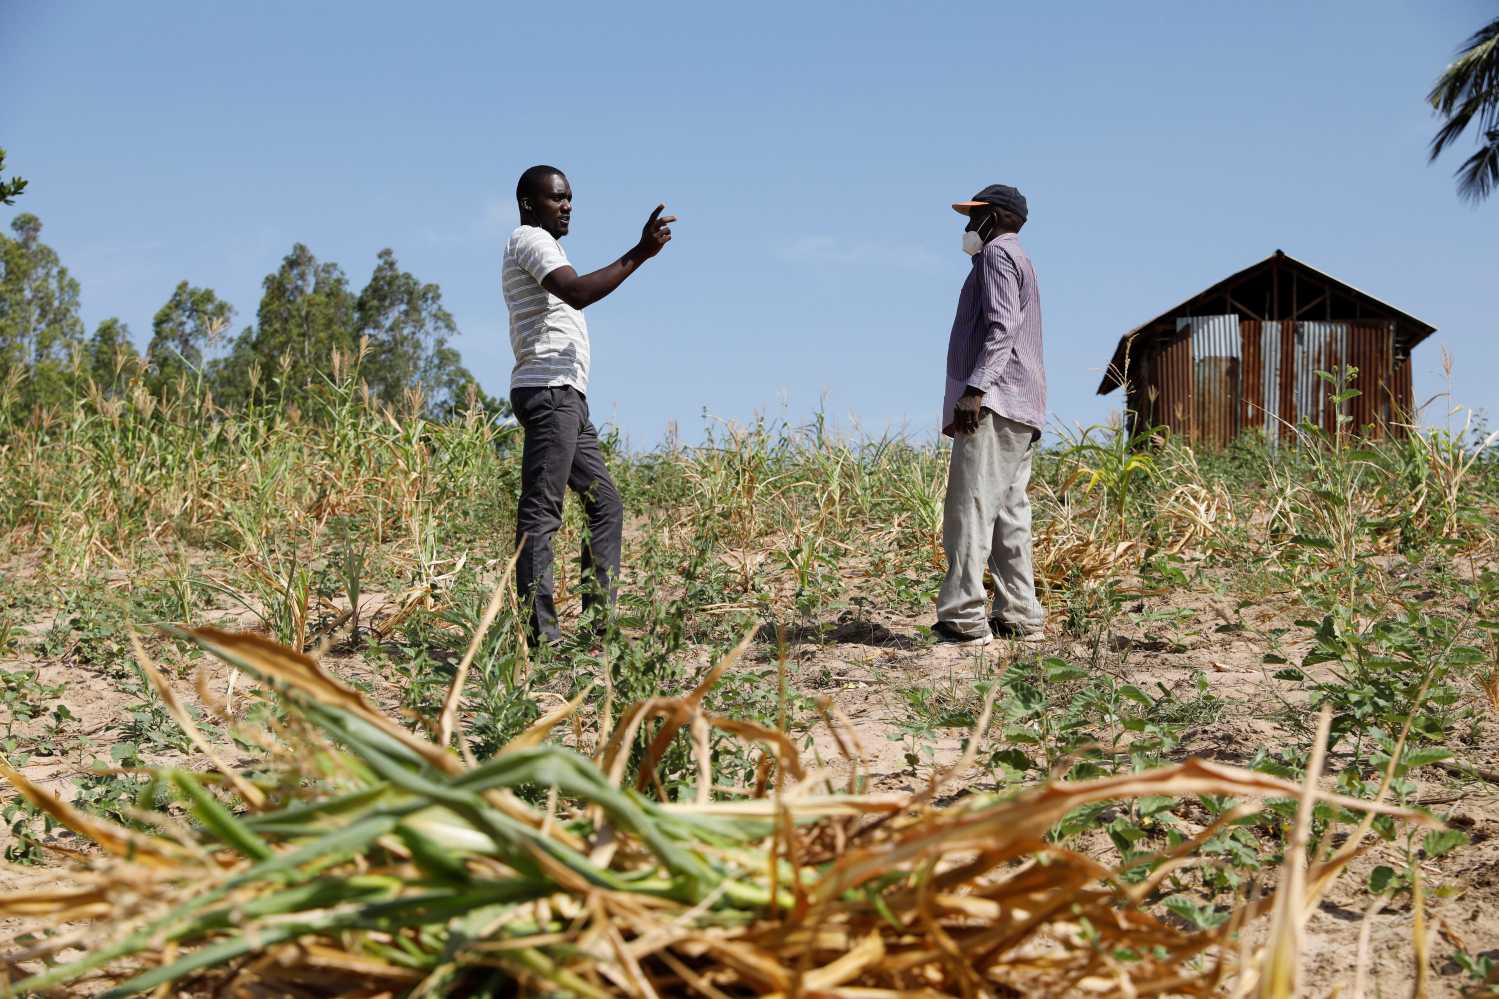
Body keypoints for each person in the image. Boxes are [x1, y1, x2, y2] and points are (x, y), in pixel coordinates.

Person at [502, 164, 675, 645]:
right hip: (549, 393)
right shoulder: (529, 240)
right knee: (542, 511)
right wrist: (640, 253)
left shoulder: (549, 246)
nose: (567, 206)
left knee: (606, 504)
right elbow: (576, 294)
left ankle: (599, 628)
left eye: (570, 198)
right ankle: (541, 636)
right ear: (528, 203)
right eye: (557, 198)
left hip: (568, 398)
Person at [932, 184, 1046, 646]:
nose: (967, 227)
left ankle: (962, 618)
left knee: (971, 506)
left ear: (995, 217)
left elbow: (1002, 327)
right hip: (1023, 403)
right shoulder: (1020, 259)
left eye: (973, 217)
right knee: (1009, 512)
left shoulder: (997, 255)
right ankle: (1019, 615)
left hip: (994, 401)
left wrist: (975, 389)